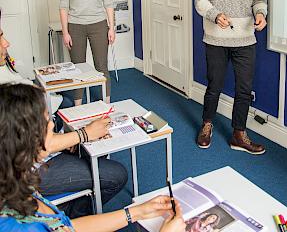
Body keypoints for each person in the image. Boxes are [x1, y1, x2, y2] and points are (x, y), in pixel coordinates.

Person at [0, 83, 186, 232]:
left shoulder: (16, 185)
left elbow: (67, 227)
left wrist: (136, 212)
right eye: (46, 122)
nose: (51, 127)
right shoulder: (19, 225)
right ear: (22, 140)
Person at [0, 11, 128, 218]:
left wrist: (65, 137)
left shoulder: (5, 71)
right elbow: (37, 147)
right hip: (27, 170)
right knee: (117, 174)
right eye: (0, 37)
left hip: (36, 153)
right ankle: (69, 216)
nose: (6, 43)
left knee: (96, 149)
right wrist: (82, 135)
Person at [194, 0, 268, 155]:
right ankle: (207, 125)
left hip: (246, 38)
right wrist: (215, 15)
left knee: (244, 90)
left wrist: (260, 14)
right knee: (214, 86)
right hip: (216, 37)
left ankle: (239, 133)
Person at [59, 0, 115, 105]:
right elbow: (63, 6)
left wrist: (111, 28)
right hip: (75, 27)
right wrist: (65, 32)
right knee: (78, 68)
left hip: (98, 25)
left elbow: (108, 3)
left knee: (102, 66)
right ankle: (78, 105)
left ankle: (106, 104)